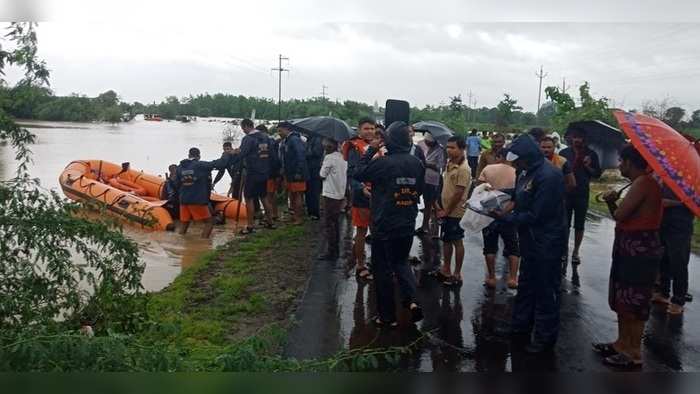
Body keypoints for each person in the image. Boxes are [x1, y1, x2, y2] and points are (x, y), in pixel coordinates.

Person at [492, 135, 566, 354]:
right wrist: (493, 193)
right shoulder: (524, 171)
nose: (514, 164)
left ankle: (545, 338)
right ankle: (520, 327)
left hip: (547, 241)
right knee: (526, 285)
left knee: (545, 290)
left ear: (528, 157)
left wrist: (503, 217)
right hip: (530, 240)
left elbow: (536, 215)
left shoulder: (549, 176)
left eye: (518, 160)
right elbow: (517, 195)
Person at [594, 144, 663, 369]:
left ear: (631, 162)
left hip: (639, 250)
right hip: (629, 246)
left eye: (621, 161)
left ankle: (633, 352)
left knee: (634, 299)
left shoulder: (644, 183)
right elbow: (620, 218)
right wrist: (613, 201)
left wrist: (612, 200)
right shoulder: (638, 183)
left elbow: (622, 213)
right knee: (624, 297)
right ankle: (622, 343)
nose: (619, 165)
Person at [353, 121, 425, 327]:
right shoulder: (416, 163)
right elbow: (418, 190)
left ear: (389, 141)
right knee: (401, 263)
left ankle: (387, 317)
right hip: (407, 220)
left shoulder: (383, 163)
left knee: (382, 269)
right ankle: (412, 301)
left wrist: (372, 150)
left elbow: (359, 172)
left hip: (384, 223)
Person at [559, 127, 602, 266]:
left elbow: (597, 174)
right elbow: (558, 172)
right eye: (574, 137)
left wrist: (588, 166)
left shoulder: (591, 154)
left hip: (582, 193)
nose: (577, 140)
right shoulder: (564, 153)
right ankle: (563, 250)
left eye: (580, 137)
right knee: (564, 223)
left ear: (584, 139)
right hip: (566, 193)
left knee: (579, 224)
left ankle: (576, 251)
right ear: (570, 138)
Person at [477, 151, 519, 289]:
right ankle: (513, 278)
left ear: (499, 156)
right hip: (508, 214)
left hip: (489, 213)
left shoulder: (488, 169)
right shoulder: (516, 172)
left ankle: (492, 277)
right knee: (513, 246)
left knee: (490, 247)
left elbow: (479, 189)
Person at [227, 118, 276, 234]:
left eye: (243, 128)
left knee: (248, 198)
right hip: (264, 172)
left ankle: (250, 226)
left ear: (246, 126)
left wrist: (230, 158)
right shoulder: (266, 137)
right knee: (263, 197)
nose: (243, 131)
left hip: (252, 172)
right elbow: (272, 155)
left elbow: (242, 154)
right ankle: (270, 222)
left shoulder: (248, 139)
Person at [653, 184, 694, 315]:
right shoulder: (669, 174)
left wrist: (674, 203)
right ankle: (663, 292)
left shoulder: (692, 180)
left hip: (681, 224)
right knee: (662, 258)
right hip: (663, 220)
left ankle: (678, 300)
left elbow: (694, 203)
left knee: (678, 262)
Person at [343, 117, 376, 281]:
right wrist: (362, 189)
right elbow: (351, 175)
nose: (370, 131)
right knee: (361, 232)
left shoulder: (380, 147)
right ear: (359, 130)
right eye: (366, 128)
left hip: (379, 197)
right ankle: (360, 265)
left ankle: (376, 261)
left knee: (377, 231)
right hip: (362, 197)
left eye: (372, 128)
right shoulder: (355, 148)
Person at [436, 136, 470, 286]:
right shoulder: (450, 163)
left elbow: (458, 193)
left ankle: (457, 273)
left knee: (457, 241)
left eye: (452, 147)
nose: (449, 150)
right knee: (446, 240)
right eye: (447, 147)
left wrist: (447, 210)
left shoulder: (464, 169)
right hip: (445, 209)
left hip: (454, 212)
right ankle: (446, 268)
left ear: (462, 149)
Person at [176, 147, 231, 238]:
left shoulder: (180, 167)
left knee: (184, 223)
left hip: (183, 200)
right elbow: (219, 164)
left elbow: (177, 183)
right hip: (196, 199)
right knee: (209, 222)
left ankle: (181, 243)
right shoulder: (200, 165)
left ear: (189, 155)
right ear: (199, 156)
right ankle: (203, 243)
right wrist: (226, 154)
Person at [318, 138, 347, 260]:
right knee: (335, 222)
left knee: (329, 223)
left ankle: (332, 251)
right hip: (340, 192)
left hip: (330, 193)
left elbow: (322, 174)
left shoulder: (329, 158)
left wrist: (323, 164)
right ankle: (336, 249)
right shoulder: (343, 157)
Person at [278, 121, 309, 225]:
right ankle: (294, 215)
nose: (279, 133)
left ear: (287, 129)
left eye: (280, 131)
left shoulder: (294, 139)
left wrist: (299, 171)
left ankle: (299, 218)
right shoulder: (288, 140)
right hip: (290, 172)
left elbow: (301, 155)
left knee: (297, 195)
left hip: (297, 173)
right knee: (292, 194)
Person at [416, 132, 446, 237]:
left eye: (430, 142)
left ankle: (426, 226)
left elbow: (440, 166)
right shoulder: (419, 145)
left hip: (432, 180)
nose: (428, 144)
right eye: (426, 142)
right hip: (419, 178)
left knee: (429, 202)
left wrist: (426, 163)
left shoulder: (440, 149)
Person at [261, 124, 282, 222]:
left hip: (270, 172)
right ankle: (274, 214)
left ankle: (268, 216)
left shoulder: (268, 142)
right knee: (272, 194)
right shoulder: (274, 141)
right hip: (275, 171)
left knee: (268, 195)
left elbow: (272, 158)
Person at [304, 131, 324, 220]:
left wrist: (305, 152)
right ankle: (310, 211)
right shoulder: (310, 139)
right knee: (308, 191)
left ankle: (315, 213)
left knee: (314, 191)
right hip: (309, 168)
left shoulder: (317, 139)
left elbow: (317, 152)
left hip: (315, 168)